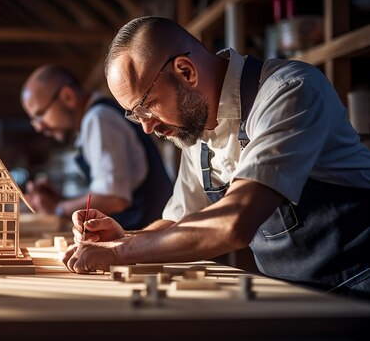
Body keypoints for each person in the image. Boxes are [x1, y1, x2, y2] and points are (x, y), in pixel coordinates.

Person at [63, 16, 370, 298]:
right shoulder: (196, 130)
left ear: (186, 71)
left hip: (357, 291)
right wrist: (123, 237)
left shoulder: (289, 91)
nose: (147, 127)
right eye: (135, 116)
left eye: (148, 106)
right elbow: (177, 223)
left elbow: (233, 222)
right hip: (296, 298)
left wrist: (122, 252)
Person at [21, 64, 173, 231]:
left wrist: (57, 209)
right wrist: (58, 199)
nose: (40, 127)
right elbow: (105, 192)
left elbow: (113, 199)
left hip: (148, 235)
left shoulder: (99, 119)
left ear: (67, 96)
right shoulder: (93, 120)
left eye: (40, 115)